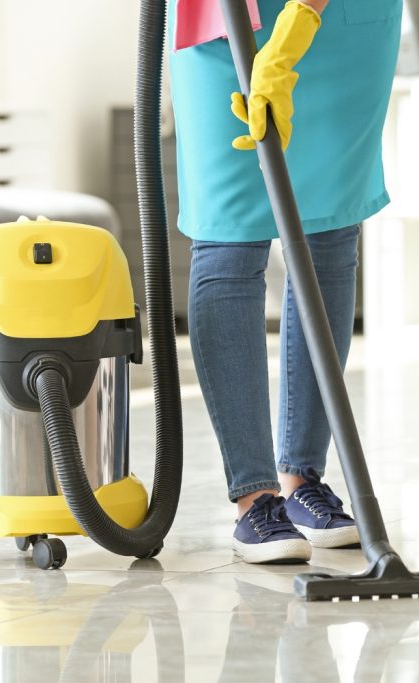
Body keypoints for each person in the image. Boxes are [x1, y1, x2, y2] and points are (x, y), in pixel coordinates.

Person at [170, 0, 402, 562]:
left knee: (328, 234)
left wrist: (299, 20)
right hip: (218, 23)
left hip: (343, 25)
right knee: (227, 237)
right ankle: (255, 498)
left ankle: (304, 480)